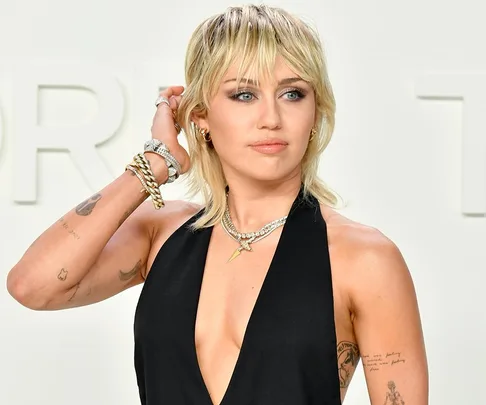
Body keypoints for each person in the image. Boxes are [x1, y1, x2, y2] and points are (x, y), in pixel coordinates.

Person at [6, 4, 428, 405]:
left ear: (316, 112)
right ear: (201, 115)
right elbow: (33, 287)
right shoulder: (163, 232)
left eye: (293, 94)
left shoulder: (363, 258)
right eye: (244, 95)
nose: (271, 118)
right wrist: (154, 164)